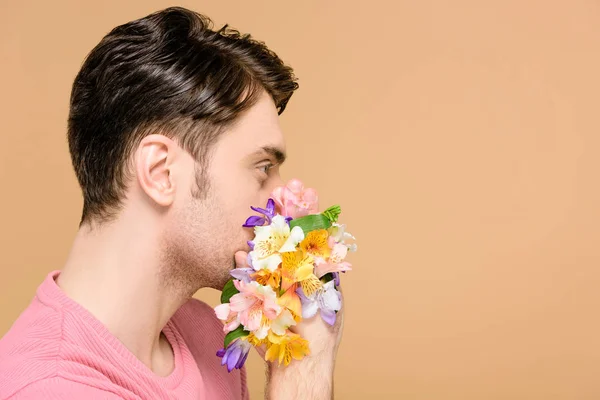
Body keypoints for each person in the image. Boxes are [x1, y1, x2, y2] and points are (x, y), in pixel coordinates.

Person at [0, 6, 343, 399]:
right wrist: (305, 370)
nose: (284, 200)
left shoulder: (206, 334)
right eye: (262, 167)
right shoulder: (48, 390)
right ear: (161, 172)